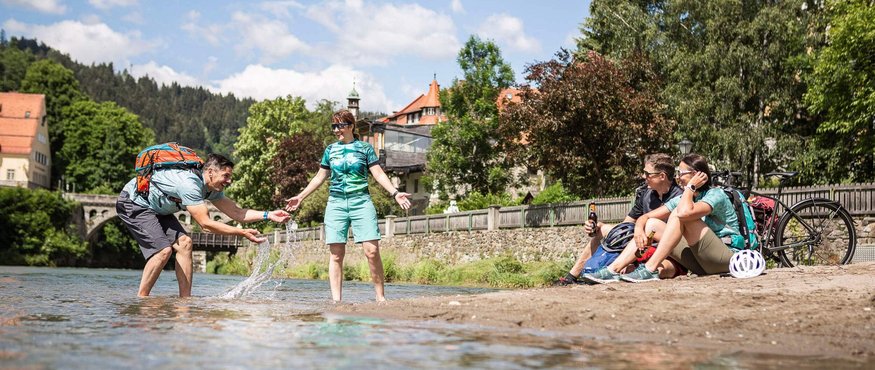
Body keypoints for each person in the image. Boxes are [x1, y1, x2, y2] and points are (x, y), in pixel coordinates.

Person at [116, 153, 291, 298]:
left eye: (230, 176)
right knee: (163, 251)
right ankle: (142, 299)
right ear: (210, 172)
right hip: (134, 202)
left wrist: (269, 215)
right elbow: (205, 224)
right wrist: (241, 232)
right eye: (226, 176)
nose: (229, 181)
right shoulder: (190, 184)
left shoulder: (210, 189)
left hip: (157, 209)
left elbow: (237, 213)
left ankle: (185, 300)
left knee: (185, 244)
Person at [284, 109, 411, 303]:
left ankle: (381, 298)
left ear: (351, 126)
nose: (336, 130)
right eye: (334, 126)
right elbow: (320, 177)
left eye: (340, 126)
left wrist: (395, 193)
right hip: (336, 203)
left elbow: (377, 174)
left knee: (372, 251)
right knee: (336, 254)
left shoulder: (365, 148)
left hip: (361, 201)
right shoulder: (330, 150)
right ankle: (337, 301)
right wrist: (301, 197)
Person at [585, 153, 743, 283]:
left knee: (678, 214)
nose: (677, 178)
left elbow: (684, 213)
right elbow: (646, 217)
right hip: (701, 263)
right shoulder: (684, 198)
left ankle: (649, 269)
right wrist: (639, 230)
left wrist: (690, 187)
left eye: (681, 173)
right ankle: (613, 270)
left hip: (726, 258)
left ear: (696, 175)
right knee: (652, 224)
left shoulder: (715, 195)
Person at [558, 153, 683, 285]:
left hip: (667, 252)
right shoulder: (646, 195)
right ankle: (571, 277)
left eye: (647, 174)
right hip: (639, 246)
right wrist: (597, 227)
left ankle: (624, 268)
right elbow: (625, 226)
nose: (643, 177)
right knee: (604, 229)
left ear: (662, 176)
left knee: (660, 268)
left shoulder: (679, 197)